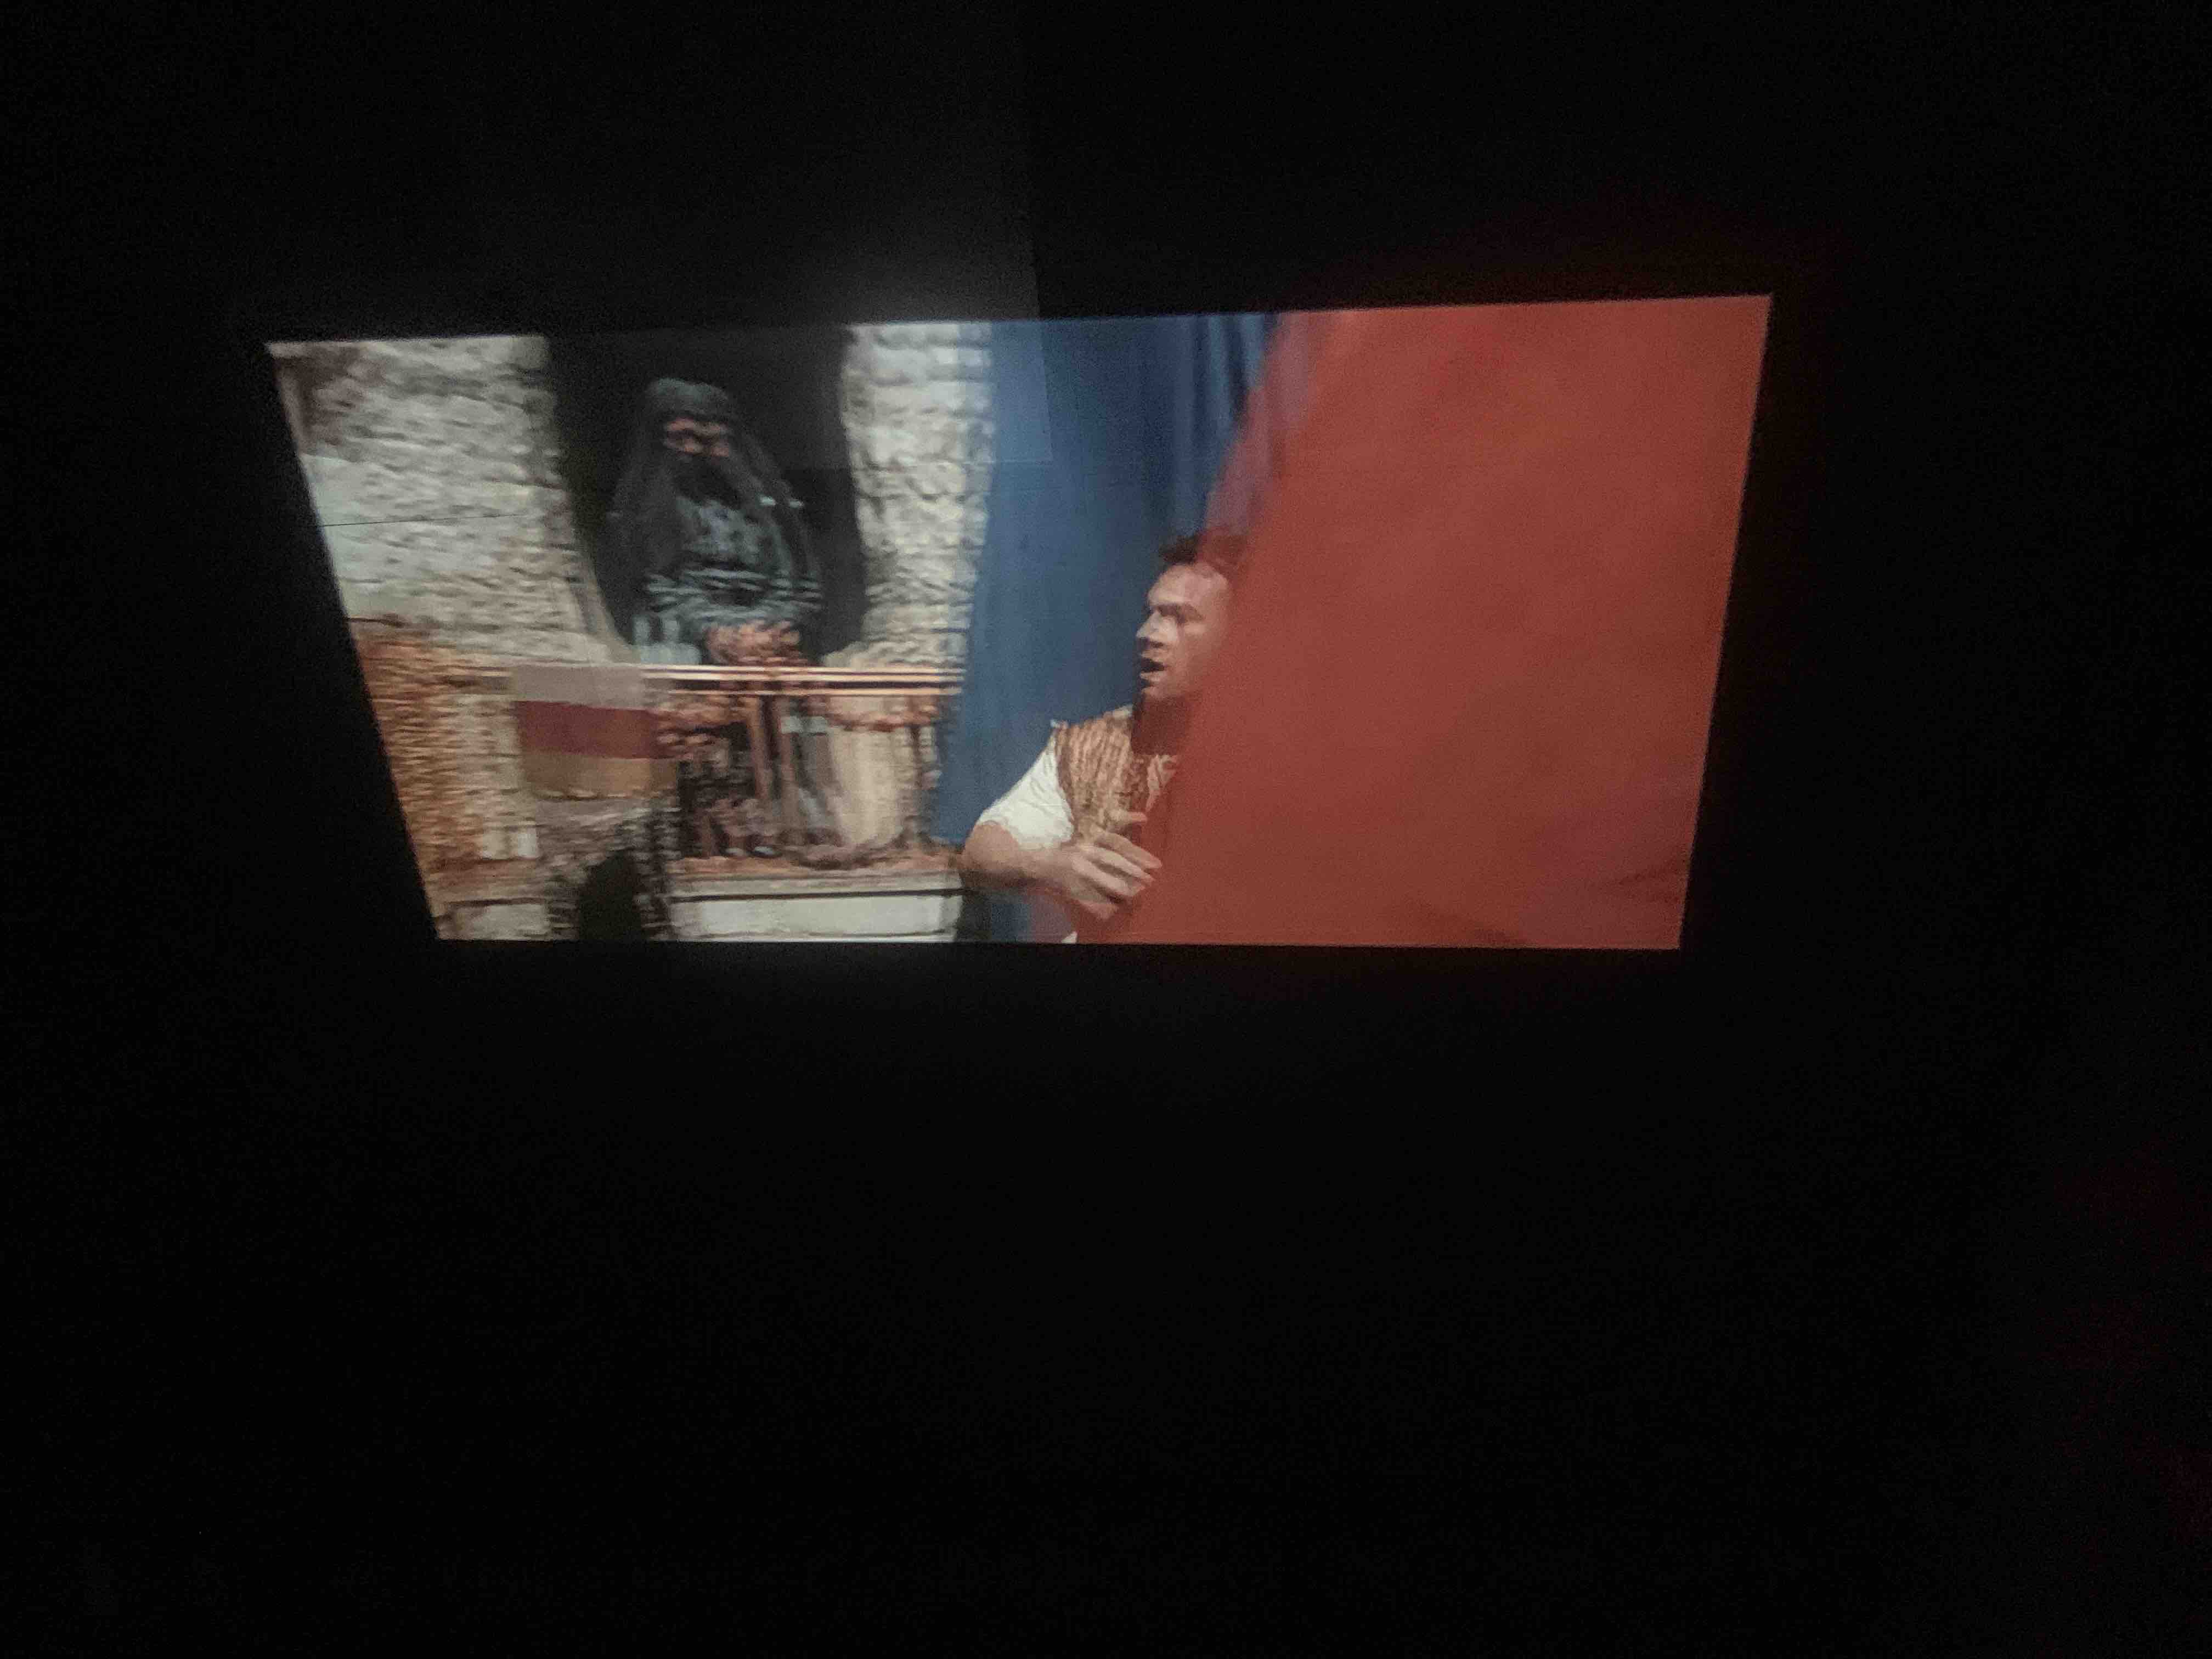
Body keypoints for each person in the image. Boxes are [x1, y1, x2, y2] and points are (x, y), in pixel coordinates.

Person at [956, 531, 1243, 941]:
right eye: (1152, 614)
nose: (1148, 633)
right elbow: (979, 852)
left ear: (1239, 636)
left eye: (1179, 618)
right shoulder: (1092, 745)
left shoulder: (1285, 755)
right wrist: (1053, 865)